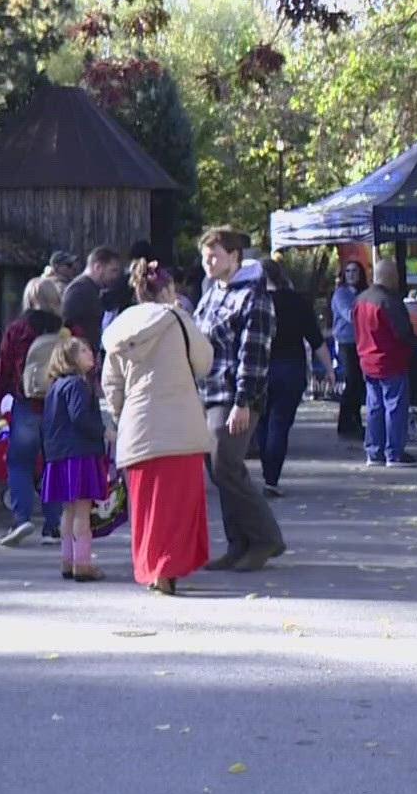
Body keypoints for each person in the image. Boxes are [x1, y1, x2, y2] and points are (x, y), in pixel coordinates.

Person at [102, 259, 216, 594]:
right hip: (180, 425)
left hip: (139, 428)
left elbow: (111, 384)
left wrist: (121, 416)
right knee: (178, 506)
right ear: (167, 290)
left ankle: (153, 567)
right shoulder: (179, 320)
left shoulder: (120, 330)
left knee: (146, 506)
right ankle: (170, 566)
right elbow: (204, 362)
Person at [193, 228, 287, 571]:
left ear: (234, 255)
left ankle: (265, 537)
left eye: (214, 255)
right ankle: (239, 542)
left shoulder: (253, 296)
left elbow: (254, 352)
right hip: (207, 392)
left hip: (234, 395)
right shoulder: (212, 293)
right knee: (218, 470)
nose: (208, 262)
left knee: (225, 465)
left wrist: (244, 401)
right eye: (205, 256)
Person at [0, 277, 66, 547]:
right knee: (53, 463)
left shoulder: (17, 329)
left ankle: (21, 517)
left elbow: (3, 368)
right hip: (57, 406)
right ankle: (52, 525)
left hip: (26, 404)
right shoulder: (64, 332)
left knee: (19, 462)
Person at [255, 258, 332, 496]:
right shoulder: (297, 302)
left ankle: (267, 467)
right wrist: (329, 369)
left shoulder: (255, 303)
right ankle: (271, 478)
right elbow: (315, 339)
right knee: (280, 423)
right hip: (291, 369)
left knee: (262, 423)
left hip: (260, 369)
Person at [42, 336, 113, 581]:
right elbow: (80, 417)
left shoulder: (55, 387)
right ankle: (83, 562)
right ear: (70, 358)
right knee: (83, 509)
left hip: (59, 454)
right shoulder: (77, 385)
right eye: (83, 350)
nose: (90, 352)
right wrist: (104, 431)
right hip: (80, 452)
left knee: (68, 509)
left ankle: (67, 559)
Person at [354, 260, 417, 468]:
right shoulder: (389, 301)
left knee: (374, 407)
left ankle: (374, 451)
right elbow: (402, 332)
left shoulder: (360, 300)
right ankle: (394, 452)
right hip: (391, 359)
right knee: (395, 407)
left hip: (367, 359)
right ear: (391, 277)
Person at [329, 259, 367, 438]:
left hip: (362, 341)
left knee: (358, 383)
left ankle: (355, 420)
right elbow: (349, 314)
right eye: (348, 271)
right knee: (352, 381)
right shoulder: (341, 294)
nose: (351, 275)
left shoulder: (364, 292)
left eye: (355, 271)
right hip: (346, 341)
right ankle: (345, 422)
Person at [62, 246, 123, 351]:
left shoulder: (91, 288)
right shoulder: (80, 290)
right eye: (113, 270)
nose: (116, 276)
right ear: (98, 267)